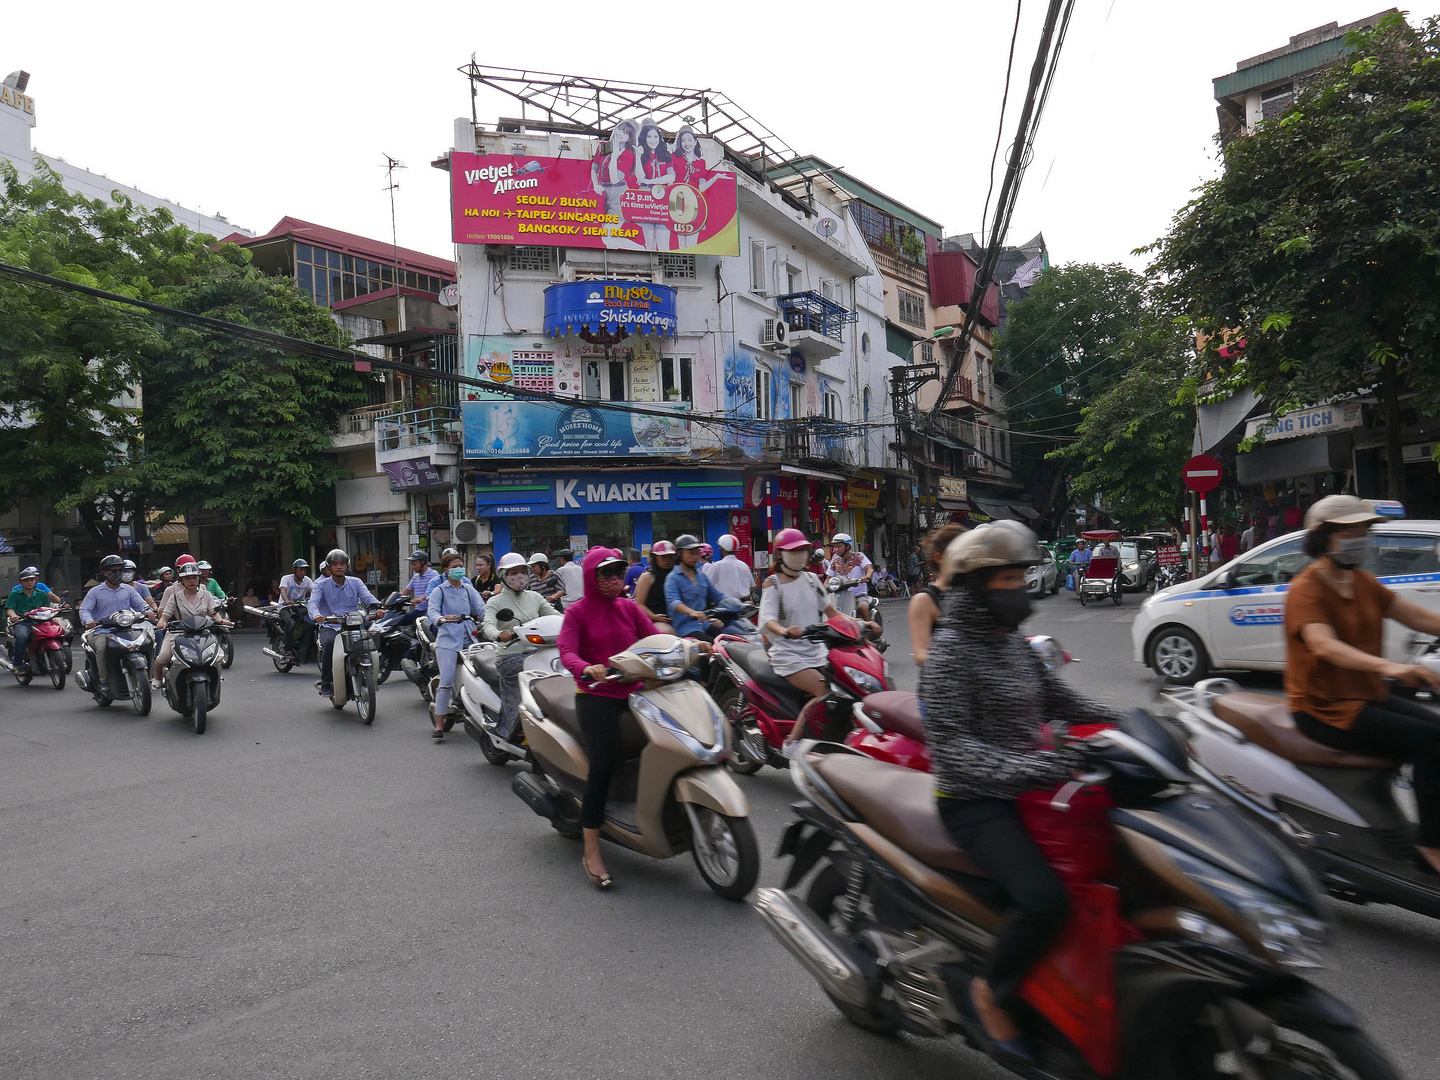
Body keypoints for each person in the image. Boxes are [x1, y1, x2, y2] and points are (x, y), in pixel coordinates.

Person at [919, 521, 1122, 1062]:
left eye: (1020, 576)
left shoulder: (1011, 642)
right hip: (973, 800)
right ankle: (992, 992)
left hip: (1028, 785)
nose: (1017, 589)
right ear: (977, 587)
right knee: (1042, 899)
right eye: (1006, 579)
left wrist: (1131, 724)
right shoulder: (950, 652)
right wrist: (1043, 767)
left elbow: (1060, 698)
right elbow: (956, 750)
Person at [1285, 495, 1440, 874]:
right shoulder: (1306, 589)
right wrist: (1393, 667)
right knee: (1433, 745)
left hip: (1366, 696)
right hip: (1324, 708)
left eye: (1364, 530)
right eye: (1350, 531)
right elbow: (1324, 645)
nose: (1361, 537)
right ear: (1323, 536)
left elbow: (1416, 616)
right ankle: (1431, 846)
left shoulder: (1362, 581)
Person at [557, 547, 658, 890]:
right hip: (596, 695)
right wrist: (587, 667)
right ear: (591, 577)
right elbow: (567, 651)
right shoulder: (577, 612)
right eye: (607, 574)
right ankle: (591, 850)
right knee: (602, 766)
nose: (615, 580)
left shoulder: (629, 607)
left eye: (618, 572)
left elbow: (654, 639)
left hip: (634, 691)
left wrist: (691, 645)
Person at [758, 529, 874, 745]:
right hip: (789, 655)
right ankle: (792, 744)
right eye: (794, 551)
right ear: (780, 554)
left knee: (848, 686)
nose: (800, 555)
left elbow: (832, 613)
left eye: (804, 550)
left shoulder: (812, 580)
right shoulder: (773, 584)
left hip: (818, 651)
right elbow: (767, 620)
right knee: (824, 691)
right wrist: (785, 631)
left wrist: (860, 624)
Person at [483, 552, 561, 741]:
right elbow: (488, 625)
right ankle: (505, 730)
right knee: (528, 669)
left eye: (522, 571)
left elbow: (555, 615)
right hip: (510, 656)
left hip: (538, 652)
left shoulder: (535, 597)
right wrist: (499, 634)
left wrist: (574, 624)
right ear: (503, 575)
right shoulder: (496, 601)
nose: (519, 576)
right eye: (513, 572)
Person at [425, 552, 488, 741]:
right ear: (445, 571)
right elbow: (433, 611)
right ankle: (439, 723)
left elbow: (482, 609)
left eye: (460, 565)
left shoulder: (469, 589)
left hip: (469, 637)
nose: (458, 569)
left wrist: (491, 619)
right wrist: (442, 619)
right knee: (446, 681)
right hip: (447, 640)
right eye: (454, 567)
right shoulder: (440, 591)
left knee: (482, 675)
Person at [307, 549, 380, 698]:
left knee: (369, 645)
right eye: (335, 564)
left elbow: (368, 598)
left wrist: (378, 608)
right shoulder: (321, 585)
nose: (339, 567)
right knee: (328, 644)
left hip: (353, 625)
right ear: (329, 567)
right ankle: (326, 682)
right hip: (330, 626)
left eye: (342, 564)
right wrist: (317, 615)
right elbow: (313, 603)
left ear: (347, 566)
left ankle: (370, 678)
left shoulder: (356, 582)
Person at [79, 555, 153, 696]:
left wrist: (148, 611)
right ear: (105, 573)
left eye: (120, 570)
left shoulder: (129, 590)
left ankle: (149, 678)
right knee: (102, 648)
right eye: (114, 570)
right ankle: (104, 681)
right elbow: (85, 609)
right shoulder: (95, 592)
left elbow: (140, 604)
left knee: (149, 641)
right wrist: (88, 620)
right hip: (102, 631)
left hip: (127, 629)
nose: (118, 573)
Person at [152, 564, 225, 688]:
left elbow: (212, 612)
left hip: (202, 632)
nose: (192, 581)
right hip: (179, 632)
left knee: (218, 656)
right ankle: (157, 676)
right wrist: (162, 623)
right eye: (187, 578)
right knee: (163, 657)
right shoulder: (174, 597)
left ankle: (216, 674)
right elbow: (165, 615)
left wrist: (221, 620)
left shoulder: (206, 594)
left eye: (194, 578)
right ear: (181, 580)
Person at [907, 524, 964, 667]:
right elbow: (920, 655)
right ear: (940, 558)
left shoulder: (974, 592)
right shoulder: (924, 600)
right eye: (961, 553)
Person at [664, 534, 727, 639]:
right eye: (691, 553)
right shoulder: (672, 578)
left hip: (703, 624)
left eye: (697, 553)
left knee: (725, 641)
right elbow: (674, 602)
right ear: (679, 554)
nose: (696, 557)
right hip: (684, 629)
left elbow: (718, 596)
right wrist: (692, 612)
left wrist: (739, 603)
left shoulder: (701, 575)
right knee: (712, 644)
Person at [6, 567, 59, 674]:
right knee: (22, 637)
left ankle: (58, 658)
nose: (29, 582)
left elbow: (46, 608)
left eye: (31, 580)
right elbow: (10, 609)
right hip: (24, 623)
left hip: (41, 622)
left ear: (36, 580)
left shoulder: (42, 594)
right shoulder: (15, 594)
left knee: (57, 632)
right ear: (20, 582)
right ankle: (17, 663)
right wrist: (14, 616)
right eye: (26, 580)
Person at [632, 541, 677, 631]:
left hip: (676, 618)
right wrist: (654, 617)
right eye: (663, 557)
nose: (667, 560)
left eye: (670, 557)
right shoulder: (647, 576)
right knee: (668, 632)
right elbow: (640, 604)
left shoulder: (677, 575)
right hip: (654, 620)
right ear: (655, 558)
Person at [826, 532, 873, 616]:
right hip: (839, 595)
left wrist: (867, 576)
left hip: (858, 594)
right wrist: (823, 589)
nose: (836, 549)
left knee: (863, 608)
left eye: (839, 546)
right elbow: (828, 578)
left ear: (847, 546)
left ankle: (869, 627)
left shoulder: (859, 556)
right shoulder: (835, 561)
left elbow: (869, 569)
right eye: (834, 547)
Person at [277, 559, 315, 656]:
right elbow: (283, 591)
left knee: (311, 622)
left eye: (304, 570)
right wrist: (287, 601)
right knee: (291, 622)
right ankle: (288, 648)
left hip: (300, 607)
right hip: (285, 607)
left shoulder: (307, 580)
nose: (303, 572)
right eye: (300, 570)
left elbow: (315, 592)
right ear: (294, 570)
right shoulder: (286, 579)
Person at [705, 533, 755, 601]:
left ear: (722, 549)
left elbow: (707, 586)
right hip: (744, 604)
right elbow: (752, 586)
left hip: (725, 604)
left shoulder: (717, 566)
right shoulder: (744, 565)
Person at [398, 550, 440, 628]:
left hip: (429, 611)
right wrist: (390, 599)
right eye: (412, 565)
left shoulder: (433, 575)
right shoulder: (415, 577)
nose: (413, 567)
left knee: (423, 627)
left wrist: (420, 599)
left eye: (414, 564)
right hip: (418, 610)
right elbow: (405, 592)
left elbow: (433, 591)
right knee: (399, 620)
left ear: (423, 563)